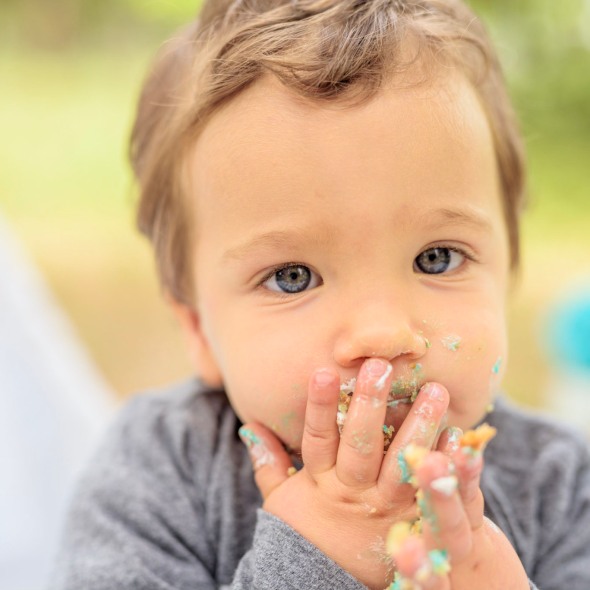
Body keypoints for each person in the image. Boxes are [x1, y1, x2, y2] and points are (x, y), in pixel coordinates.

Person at [49, 1, 590, 589]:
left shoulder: (563, 485)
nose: (383, 333)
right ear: (200, 330)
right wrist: (318, 559)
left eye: (436, 258)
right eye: (293, 276)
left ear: (506, 274)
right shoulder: (157, 475)